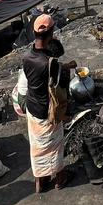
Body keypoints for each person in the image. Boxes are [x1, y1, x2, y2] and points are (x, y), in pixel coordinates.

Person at [23, 14, 75, 193]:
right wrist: (66, 112)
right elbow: (59, 87)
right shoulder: (49, 64)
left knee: (37, 147)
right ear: (51, 33)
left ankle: (40, 181)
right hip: (46, 110)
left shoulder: (27, 56)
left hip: (32, 108)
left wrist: (65, 65)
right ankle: (59, 178)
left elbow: (47, 69)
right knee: (54, 145)